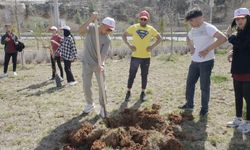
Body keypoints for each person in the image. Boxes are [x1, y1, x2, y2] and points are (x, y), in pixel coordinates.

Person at [178, 8, 227, 116]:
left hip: (206, 62)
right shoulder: (193, 29)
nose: (190, 23)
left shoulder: (208, 28)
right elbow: (188, 37)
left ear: (199, 18)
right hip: (194, 61)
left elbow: (223, 38)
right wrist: (191, 47)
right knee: (190, 83)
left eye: (191, 21)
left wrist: (207, 50)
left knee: (204, 86)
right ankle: (189, 104)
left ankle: (204, 109)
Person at [79, 13, 115, 117]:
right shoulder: (91, 28)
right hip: (87, 63)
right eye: (108, 29)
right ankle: (90, 104)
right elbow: (80, 30)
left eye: (111, 30)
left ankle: (103, 107)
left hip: (98, 65)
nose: (109, 32)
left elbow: (103, 54)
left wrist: (101, 64)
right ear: (102, 25)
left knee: (102, 87)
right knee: (86, 86)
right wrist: (91, 19)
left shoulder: (107, 39)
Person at [122, 10, 162, 101]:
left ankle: (143, 93)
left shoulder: (151, 29)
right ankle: (128, 92)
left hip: (146, 57)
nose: (143, 20)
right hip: (135, 56)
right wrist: (129, 45)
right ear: (139, 19)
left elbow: (159, 38)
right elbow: (124, 35)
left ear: (148, 20)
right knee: (132, 74)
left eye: (145, 19)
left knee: (144, 75)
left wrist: (152, 47)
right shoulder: (134, 27)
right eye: (142, 19)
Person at [226, 8, 250, 133]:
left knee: (248, 96)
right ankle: (238, 118)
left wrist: (230, 37)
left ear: (248, 18)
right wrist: (233, 52)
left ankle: (248, 122)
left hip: (247, 70)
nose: (240, 21)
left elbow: (243, 45)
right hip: (237, 68)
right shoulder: (240, 31)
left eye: (242, 18)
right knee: (238, 95)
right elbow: (241, 47)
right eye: (237, 18)